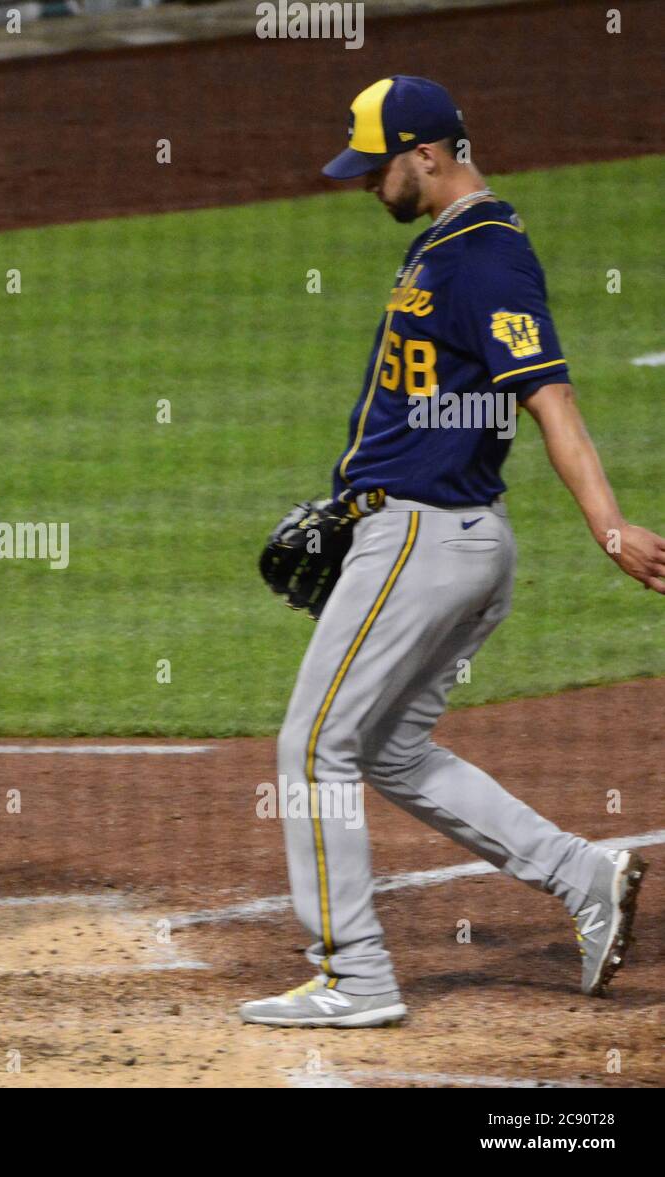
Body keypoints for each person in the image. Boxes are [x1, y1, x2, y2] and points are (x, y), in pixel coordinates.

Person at [241, 76, 657, 1028]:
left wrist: (609, 524)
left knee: (312, 749)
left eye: (374, 165)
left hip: (427, 535)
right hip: (430, 535)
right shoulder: (445, 248)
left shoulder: (489, 258)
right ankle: (583, 873)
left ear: (426, 154)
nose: (361, 183)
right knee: (387, 748)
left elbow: (551, 399)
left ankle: (355, 975)